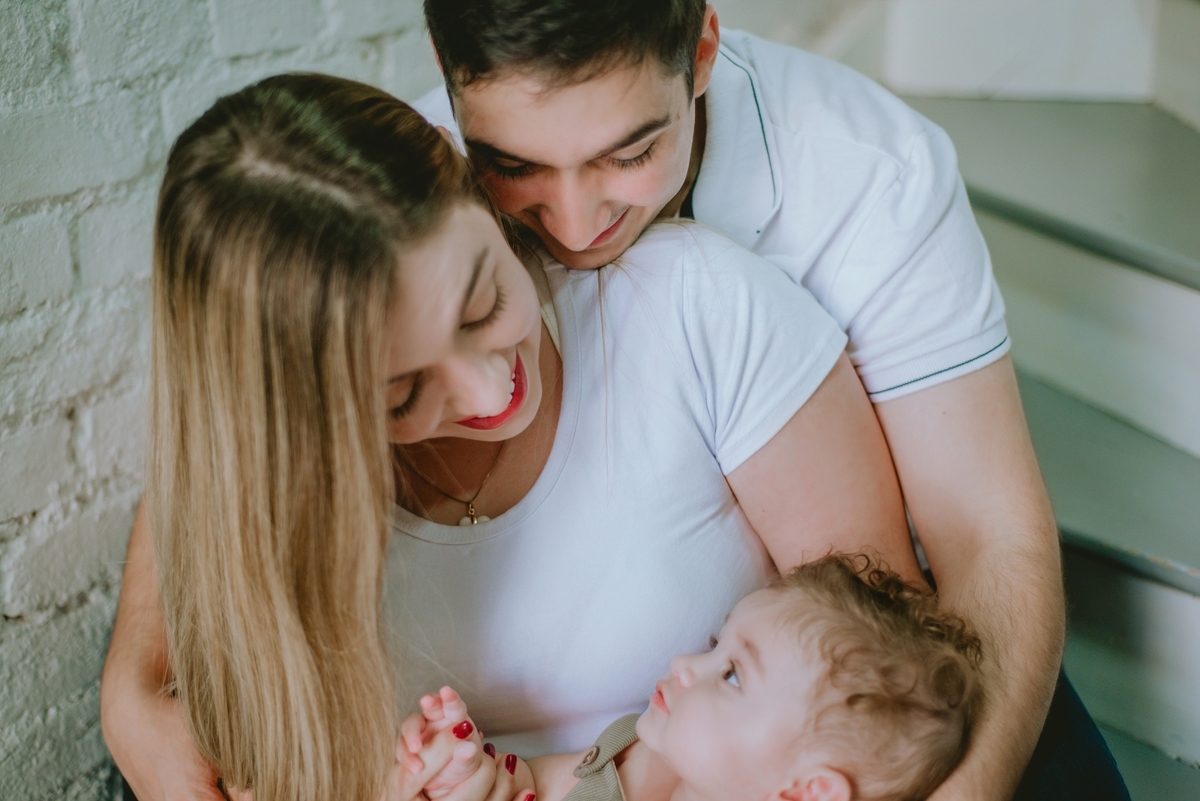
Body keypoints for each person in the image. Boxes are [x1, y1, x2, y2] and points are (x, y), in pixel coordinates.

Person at [101, 73, 920, 801]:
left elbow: (888, 687)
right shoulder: (256, 517)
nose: (492, 393)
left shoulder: (698, 311)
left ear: (471, 191)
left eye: (482, 304)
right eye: (403, 393)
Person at [415, 1, 1128, 798]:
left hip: (880, 676)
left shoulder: (869, 174)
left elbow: (987, 534)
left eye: (633, 152)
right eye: (514, 167)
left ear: (703, 54)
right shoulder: (406, 204)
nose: (576, 224)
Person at [403, 553, 983, 801]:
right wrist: (467, 776)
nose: (686, 665)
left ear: (809, 793)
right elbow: (530, 784)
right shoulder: (628, 751)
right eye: (714, 645)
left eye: (731, 675)